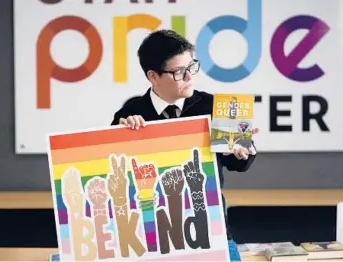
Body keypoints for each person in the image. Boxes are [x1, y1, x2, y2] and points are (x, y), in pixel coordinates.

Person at [110, 29, 257, 261]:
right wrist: (121, 135)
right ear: (153, 76)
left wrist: (242, 152)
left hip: (211, 227)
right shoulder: (130, 113)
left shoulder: (213, 105)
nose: (190, 77)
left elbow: (242, 164)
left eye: (192, 67)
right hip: (151, 233)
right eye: (179, 72)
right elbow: (115, 173)